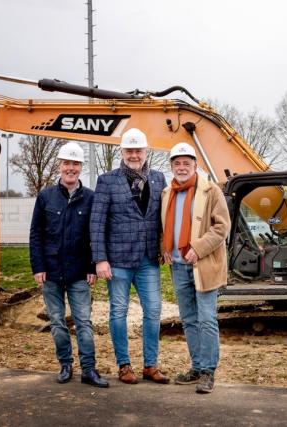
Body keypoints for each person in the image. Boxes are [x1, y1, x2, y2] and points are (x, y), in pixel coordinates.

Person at [90, 128, 169, 385]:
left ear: (146, 152)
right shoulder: (107, 181)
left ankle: (150, 365)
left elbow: (163, 219)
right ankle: (124, 365)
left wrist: (165, 246)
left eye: (139, 150)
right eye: (129, 150)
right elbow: (97, 222)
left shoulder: (158, 180)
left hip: (148, 260)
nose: (134, 155)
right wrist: (100, 259)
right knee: (118, 312)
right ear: (121, 152)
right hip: (119, 260)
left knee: (153, 311)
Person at [29, 142, 108, 388]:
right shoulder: (45, 197)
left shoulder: (91, 198)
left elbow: (95, 235)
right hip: (51, 272)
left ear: (80, 167)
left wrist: (92, 267)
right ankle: (65, 364)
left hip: (78, 273)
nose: (70, 168)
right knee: (57, 321)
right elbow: (36, 234)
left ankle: (88, 369)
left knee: (83, 322)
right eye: (66, 163)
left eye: (75, 164)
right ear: (59, 166)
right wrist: (38, 266)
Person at [161, 142, 231, 394]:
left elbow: (222, 227)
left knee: (206, 319)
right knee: (189, 320)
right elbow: (164, 227)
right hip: (179, 267)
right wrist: (164, 247)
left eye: (186, 163)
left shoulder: (211, 191)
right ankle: (197, 366)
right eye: (177, 163)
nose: (182, 167)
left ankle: (208, 371)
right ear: (172, 166)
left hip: (204, 266)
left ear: (195, 165)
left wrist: (198, 248)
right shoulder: (167, 193)